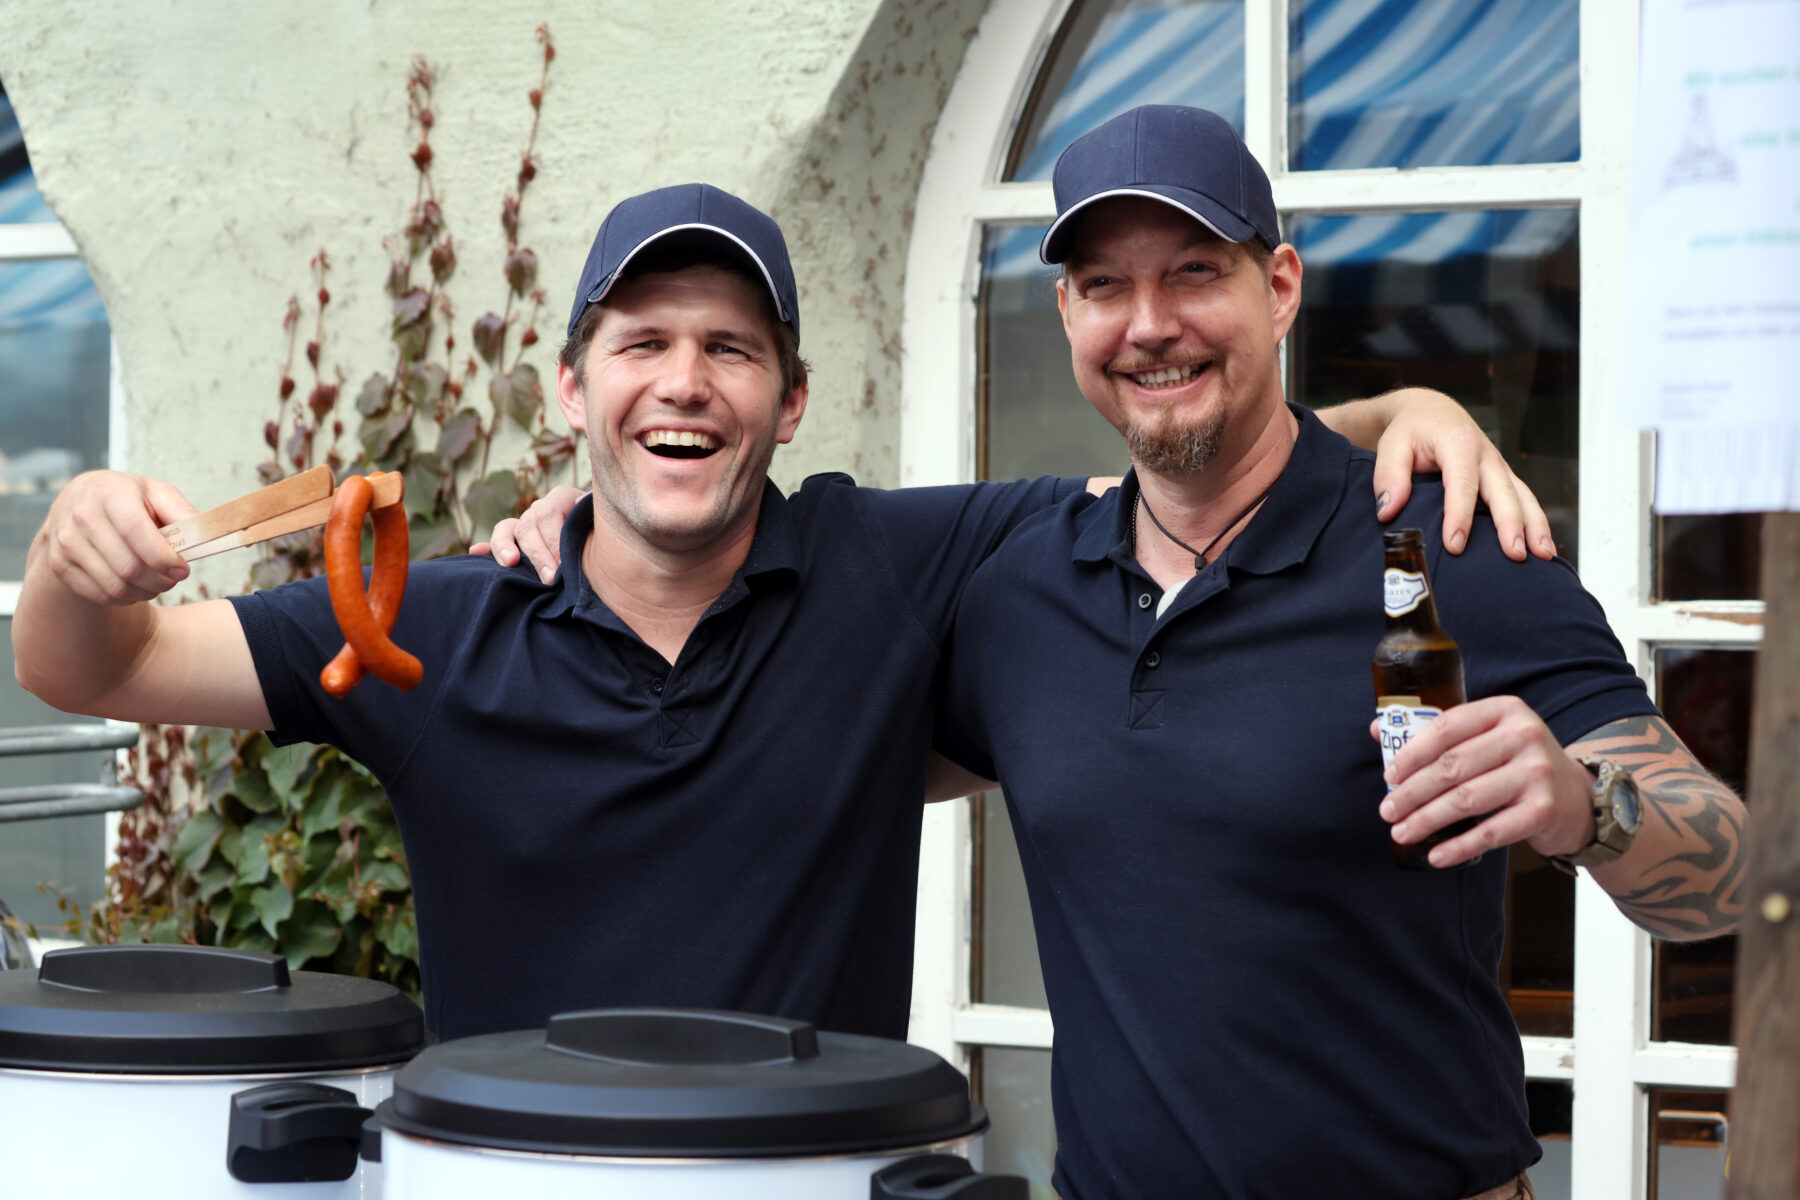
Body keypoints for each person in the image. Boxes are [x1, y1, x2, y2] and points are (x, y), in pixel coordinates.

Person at [16, 182, 1543, 1046]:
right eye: (643, 344)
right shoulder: (434, 623)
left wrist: (1401, 413)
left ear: (791, 400)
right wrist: (73, 563)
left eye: (731, 349)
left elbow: (1186, 457)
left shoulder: (897, 567)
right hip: (512, 1172)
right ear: (572, 391)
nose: (684, 383)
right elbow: (104, 670)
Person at [927, 107, 1746, 1199]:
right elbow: (830, 780)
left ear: (1279, 288)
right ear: (1069, 311)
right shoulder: (1021, 591)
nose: (1151, 324)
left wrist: (1585, 804)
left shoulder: (1444, 547)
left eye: (1195, 272)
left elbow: (1729, 879)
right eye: (1106, 285)